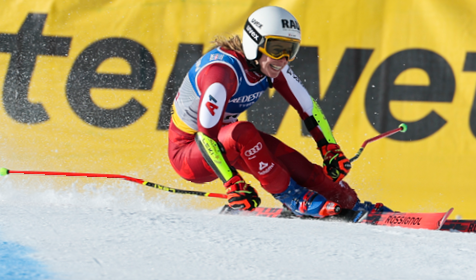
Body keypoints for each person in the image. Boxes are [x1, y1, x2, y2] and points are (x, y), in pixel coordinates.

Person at [166, 6, 389, 218]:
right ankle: (292, 197)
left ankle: (352, 203)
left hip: (228, 142)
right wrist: (232, 183)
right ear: (254, 43)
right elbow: (205, 137)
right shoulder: (221, 73)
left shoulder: (270, 65)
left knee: (303, 170)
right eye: (276, 49)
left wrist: (329, 148)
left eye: (290, 50)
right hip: (191, 152)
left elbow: (308, 108)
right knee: (244, 131)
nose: (282, 58)